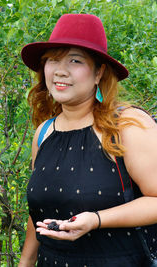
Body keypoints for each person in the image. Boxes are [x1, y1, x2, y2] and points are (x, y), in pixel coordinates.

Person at [17, 14, 157, 267]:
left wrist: (97, 219)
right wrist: (26, 260)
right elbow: (40, 209)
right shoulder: (45, 132)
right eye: (53, 60)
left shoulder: (127, 126)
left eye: (75, 60)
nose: (60, 70)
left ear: (98, 73)